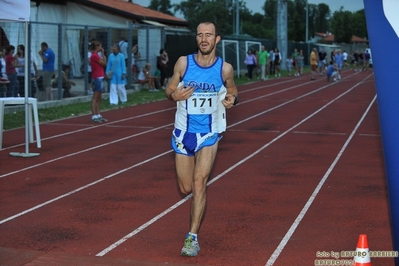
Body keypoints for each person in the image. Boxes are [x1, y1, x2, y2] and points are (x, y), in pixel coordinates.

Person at [164, 21, 238, 257]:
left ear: (217, 39)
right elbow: (169, 89)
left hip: (209, 133)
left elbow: (233, 90)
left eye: (209, 35)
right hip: (183, 132)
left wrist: (232, 100)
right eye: (200, 35)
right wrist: (174, 95)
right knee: (186, 187)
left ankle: (192, 238)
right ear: (196, 39)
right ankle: (193, 232)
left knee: (199, 182)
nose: (204, 39)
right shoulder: (184, 63)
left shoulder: (224, 69)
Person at [90, 40, 108, 123]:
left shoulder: (96, 55)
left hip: (100, 77)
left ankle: (98, 114)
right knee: (95, 97)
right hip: (97, 77)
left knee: (99, 97)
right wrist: (104, 55)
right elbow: (104, 64)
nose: (101, 48)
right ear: (97, 47)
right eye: (100, 46)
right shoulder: (94, 56)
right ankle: (94, 115)